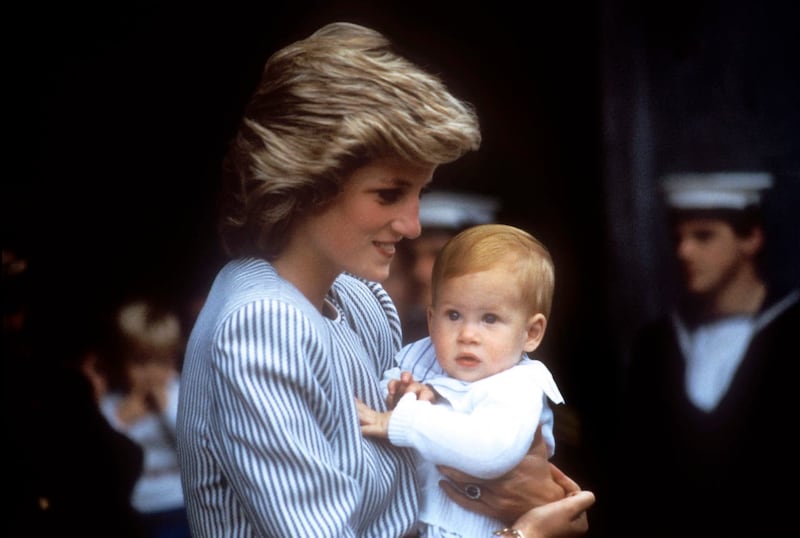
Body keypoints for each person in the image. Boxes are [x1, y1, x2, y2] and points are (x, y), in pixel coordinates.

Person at [175, 21, 594, 538]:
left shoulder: (359, 297)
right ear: (310, 183)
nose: (412, 224)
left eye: (419, 192)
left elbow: (412, 494)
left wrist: (514, 493)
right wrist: (525, 534)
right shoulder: (260, 323)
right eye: (388, 194)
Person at [614, 171, 800, 537]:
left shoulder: (793, 334)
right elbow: (635, 475)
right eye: (679, 238)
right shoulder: (657, 345)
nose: (685, 251)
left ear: (751, 238)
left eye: (703, 236)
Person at [358, 224, 566, 537]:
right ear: (431, 319)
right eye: (453, 315)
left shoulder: (519, 385)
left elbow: (490, 452)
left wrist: (406, 419)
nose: (467, 335)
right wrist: (397, 396)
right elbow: (374, 408)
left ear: (531, 333)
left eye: (490, 319)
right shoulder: (424, 358)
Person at [100, 298, 191, 538]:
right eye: (140, 362)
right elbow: (104, 454)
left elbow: (192, 441)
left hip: (180, 501)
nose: (151, 373)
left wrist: (166, 411)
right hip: (139, 506)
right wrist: (123, 419)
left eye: (161, 361)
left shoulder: (179, 393)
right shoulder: (113, 404)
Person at [384, 190, 500, 344]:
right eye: (413, 257)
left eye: (438, 255)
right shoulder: (402, 333)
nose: (420, 272)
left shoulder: (506, 339)